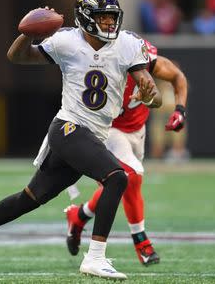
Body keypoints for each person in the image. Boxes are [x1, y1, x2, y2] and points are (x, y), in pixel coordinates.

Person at [0, 0, 162, 280]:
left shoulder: (127, 44)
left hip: (94, 135)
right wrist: (28, 32)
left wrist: (151, 95)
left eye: (113, 17)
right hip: (68, 128)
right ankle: (95, 257)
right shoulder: (66, 41)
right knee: (117, 177)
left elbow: (151, 91)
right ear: (87, 18)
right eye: (103, 18)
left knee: (29, 199)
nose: (110, 23)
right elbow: (18, 57)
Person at [64, 40, 187, 265]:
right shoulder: (99, 65)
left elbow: (177, 76)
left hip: (137, 130)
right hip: (109, 129)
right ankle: (142, 243)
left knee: (119, 183)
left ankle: (79, 216)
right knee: (132, 174)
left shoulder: (147, 60)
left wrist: (180, 110)